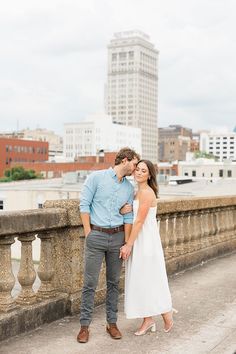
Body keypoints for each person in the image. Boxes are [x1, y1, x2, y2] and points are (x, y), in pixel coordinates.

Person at [77, 147, 140, 343]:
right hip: (96, 236)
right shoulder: (96, 178)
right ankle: (84, 326)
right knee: (90, 284)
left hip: (117, 238)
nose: (136, 168)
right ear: (125, 161)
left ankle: (111, 323)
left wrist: (127, 243)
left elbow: (128, 216)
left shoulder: (129, 188)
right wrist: (89, 233)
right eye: (135, 164)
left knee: (113, 283)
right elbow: (84, 205)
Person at [120, 160, 176, 336]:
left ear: (149, 175)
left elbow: (139, 221)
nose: (138, 172)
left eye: (143, 171)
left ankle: (165, 311)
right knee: (141, 280)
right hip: (140, 240)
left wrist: (128, 244)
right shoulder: (138, 192)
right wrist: (125, 210)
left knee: (148, 279)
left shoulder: (146, 193)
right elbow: (134, 215)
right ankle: (149, 318)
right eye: (137, 169)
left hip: (145, 242)